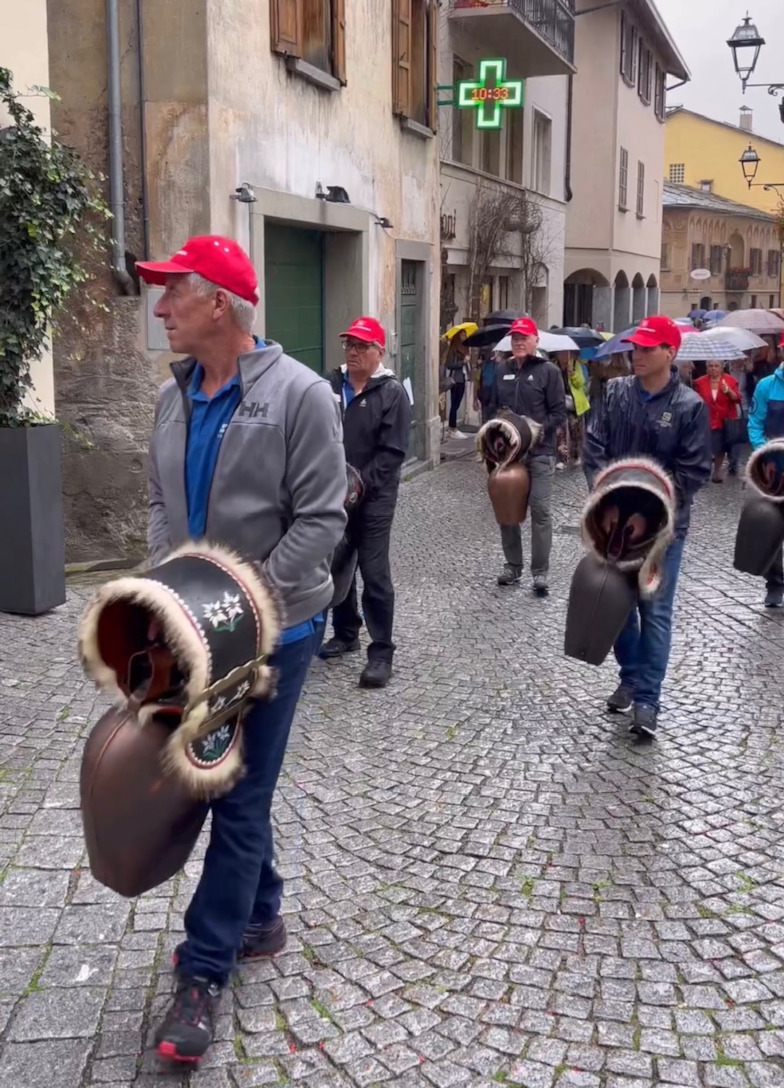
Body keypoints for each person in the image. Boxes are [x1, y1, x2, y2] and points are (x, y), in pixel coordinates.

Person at [135, 235, 347, 1063]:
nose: (161, 311)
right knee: (221, 773)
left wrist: (244, 600)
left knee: (239, 786)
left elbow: (322, 520)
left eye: (173, 295)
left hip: (278, 630)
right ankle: (262, 913)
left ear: (219, 302)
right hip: (195, 625)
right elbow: (159, 499)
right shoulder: (172, 396)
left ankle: (206, 967)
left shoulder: (299, 395)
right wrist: (170, 587)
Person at [584, 315, 711, 738]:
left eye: (646, 348)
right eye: (634, 347)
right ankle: (632, 673)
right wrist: (607, 501)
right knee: (616, 605)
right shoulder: (616, 392)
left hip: (662, 531)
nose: (636, 354)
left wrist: (647, 508)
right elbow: (594, 448)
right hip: (614, 526)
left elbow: (692, 473)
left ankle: (647, 701)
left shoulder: (690, 407)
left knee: (654, 611)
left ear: (669, 353)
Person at [319, 317, 412, 688]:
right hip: (331, 493)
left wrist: (357, 485)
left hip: (374, 498)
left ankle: (381, 652)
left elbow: (392, 454)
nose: (353, 352)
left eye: (361, 346)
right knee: (338, 564)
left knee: (374, 572)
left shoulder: (391, 394)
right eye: (349, 345)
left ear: (379, 352)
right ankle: (346, 633)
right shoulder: (329, 384)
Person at [488, 316, 566, 595]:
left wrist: (538, 431)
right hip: (509, 454)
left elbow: (559, 413)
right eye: (515, 338)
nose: (519, 342)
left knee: (541, 509)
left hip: (540, 453)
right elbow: (495, 407)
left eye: (524, 337)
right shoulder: (502, 370)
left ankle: (540, 572)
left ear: (536, 340)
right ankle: (512, 565)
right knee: (507, 508)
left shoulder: (549, 372)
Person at [747, 323, 784, 612]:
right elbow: (755, 424)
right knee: (772, 529)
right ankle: (774, 586)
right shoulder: (767, 386)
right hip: (774, 472)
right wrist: (762, 453)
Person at [693, 360, 741, 482]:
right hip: (706, 418)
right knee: (705, 446)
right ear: (706, 368)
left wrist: (728, 391)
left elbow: (737, 399)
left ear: (721, 368)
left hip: (725, 419)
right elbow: (695, 400)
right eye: (710, 366)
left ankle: (717, 471)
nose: (713, 368)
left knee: (719, 447)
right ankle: (704, 471)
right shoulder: (700, 382)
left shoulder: (730, 380)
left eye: (716, 366)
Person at [441, 329, 471, 438]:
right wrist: (463, 362)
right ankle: (452, 428)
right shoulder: (453, 349)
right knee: (454, 404)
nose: (464, 337)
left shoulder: (465, 349)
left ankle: (453, 428)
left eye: (465, 335)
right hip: (455, 380)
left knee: (457, 404)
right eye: (462, 335)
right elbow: (450, 365)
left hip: (462, 379)